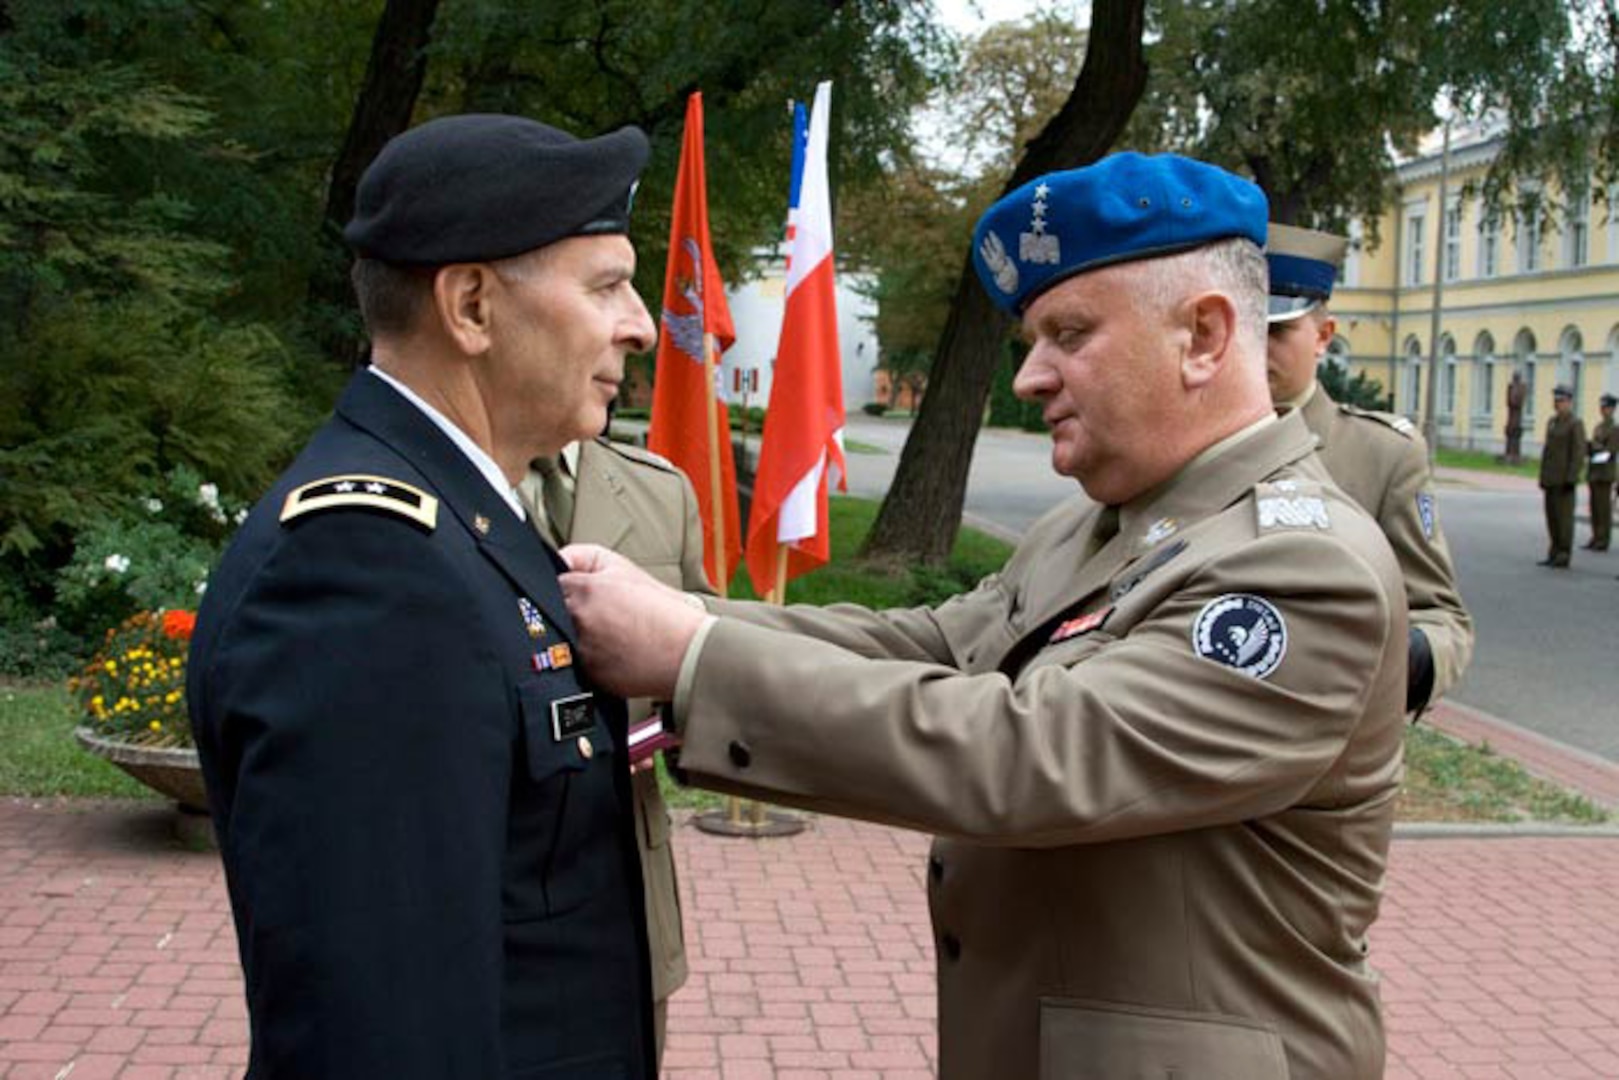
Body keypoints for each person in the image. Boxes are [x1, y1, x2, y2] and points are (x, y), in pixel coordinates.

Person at [560, 153, 1407, 1080]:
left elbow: (1036, 755)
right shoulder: (1098, 524)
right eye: (1030, 340)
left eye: (1068, 334)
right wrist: (680, 617)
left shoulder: (1300, 565)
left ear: (1202, 336)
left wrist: (693, 659)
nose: (1031, 377)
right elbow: (931, 645)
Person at [188, 114, 660, 1079]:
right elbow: (377, 1029)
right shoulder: (369, 567)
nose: (641, 324)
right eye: (607, 285)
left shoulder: (459, 517)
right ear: (473, 307)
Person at [518, 432, 713, 1064]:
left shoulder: (660, 490)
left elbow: (701, 651)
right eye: (605, 320)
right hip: (496, 889)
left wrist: (680, 716)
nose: (637, 332)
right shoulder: (438, 482)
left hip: (625, 867)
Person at [1264, 223, 1473, 713]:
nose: (1257, 346)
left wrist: (1407, 662)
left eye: (1277, 330)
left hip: (1328, 729)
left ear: (1323, 337)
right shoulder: (1186, 442)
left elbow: (1439, 613)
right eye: (1246, 327)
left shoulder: (1381, 454)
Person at [1538, 384, 1587, 568]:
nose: (1557, 404)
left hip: (1564, 479)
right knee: (1551, 518)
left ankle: (1563, 553)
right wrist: (1542, 477)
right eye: (1556, 401)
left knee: (1564, 519)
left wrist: (1572, 477)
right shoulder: (1552, 422)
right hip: (1551, 478)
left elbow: (1578, 452)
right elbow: (1547, 452)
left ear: (1569, 402)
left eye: (1561, 401)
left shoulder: (1575, 423)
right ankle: (1554, 550)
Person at [1585, 393, 1616, 552]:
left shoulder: (1614, 429)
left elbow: (1609, 453)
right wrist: (1590, 448)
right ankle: (1595, 536)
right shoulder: (1598, 427)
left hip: (1605, 474)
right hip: (1594, 473)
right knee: (1594, 507)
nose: (1603, 410)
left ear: (1612, 409)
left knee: (1603, 509)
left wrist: (1595, 450)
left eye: (1606, 407)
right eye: (1602, 407)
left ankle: (1603, 539)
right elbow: (1595, 447)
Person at [1505, 371, 1528, 463]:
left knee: (1516, 432)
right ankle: (1509, 453)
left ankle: (1515, 453)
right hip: (1511, 414)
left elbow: (1519, 401)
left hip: (1517, 415)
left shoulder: (1522, 387)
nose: (1514, 379)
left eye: (1516, 377)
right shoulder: (1510, 387)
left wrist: (1514, 400)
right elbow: (1509, 400)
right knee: (1510, 432)